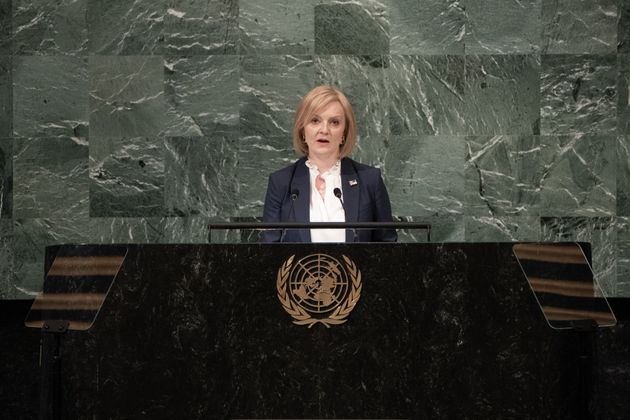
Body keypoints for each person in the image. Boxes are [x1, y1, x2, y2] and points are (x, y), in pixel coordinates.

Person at [262, 85, 397, 243]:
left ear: (343, 134)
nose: (324, 130)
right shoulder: (281, 182)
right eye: (315, 120)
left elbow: (388, 247)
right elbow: (268, 250)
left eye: (334, 122)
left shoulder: (369, 180)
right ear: (302, 130)